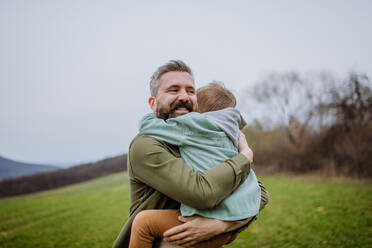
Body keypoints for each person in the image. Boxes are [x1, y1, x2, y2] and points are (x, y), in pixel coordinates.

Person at [112, 60, 269, 248]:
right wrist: (245, 157)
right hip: (160, 241)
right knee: (143, 223)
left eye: (190, 91)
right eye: (173, 90)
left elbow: (259, 192)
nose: (184, 96)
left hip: (196, 241)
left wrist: (221, 224)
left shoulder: (201, 141)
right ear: (153, 103)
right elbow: (201, 193)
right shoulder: (145, 146)